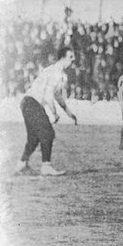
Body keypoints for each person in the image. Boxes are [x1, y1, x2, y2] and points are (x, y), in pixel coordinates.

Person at [15, 47, 78, 176]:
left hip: (27, 103)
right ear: (62, 58)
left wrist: (69, 112)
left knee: (34, 137)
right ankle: (46, 166)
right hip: (32, 103)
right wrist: (54, 113)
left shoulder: (59, 74)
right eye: (70, 57)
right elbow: (49, 95)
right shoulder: (55, 71)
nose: (73, 59)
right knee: (48, 133)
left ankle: (21, 164)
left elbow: (57, 95)